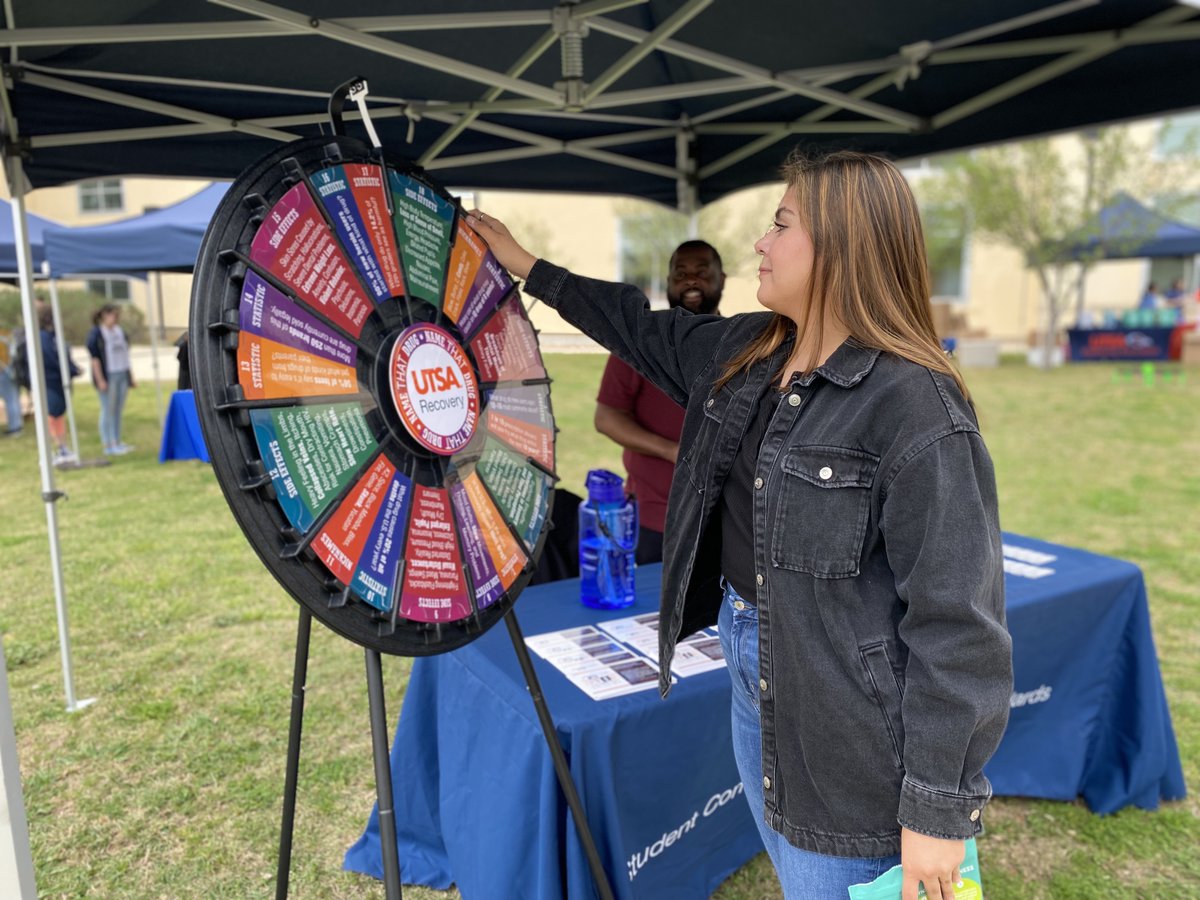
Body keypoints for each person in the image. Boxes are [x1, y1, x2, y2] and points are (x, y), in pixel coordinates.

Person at [467, 149, 1012, 900]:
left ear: (842, 248)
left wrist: (937, 813)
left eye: (781, 225)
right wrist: (527, 265)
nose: (760, 242)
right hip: (755, 678)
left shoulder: (917, 409)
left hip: (850, 736)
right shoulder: (748, 350)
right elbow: (635, 326)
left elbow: (959, 625)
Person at [594, 240, 725, 564]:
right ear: (668, 283)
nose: (690, 280)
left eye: (702, 272)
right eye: (680, 273)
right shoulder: (641, 340)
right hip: (654, 520)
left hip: (727, 520)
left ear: (721, 279)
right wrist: (671, 451)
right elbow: (607, 418)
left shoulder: (741, 342)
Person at [86, 303, 136, 455]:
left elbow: (125, 355)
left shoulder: (119, 331)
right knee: (108, 409)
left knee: (118, 409)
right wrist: (100, 379)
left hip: (121, 373)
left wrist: (130, 376)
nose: (115, 318)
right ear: (104, 315)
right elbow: (95, 359)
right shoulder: (97, 334)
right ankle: (108, 444)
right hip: (108, 375)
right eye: (112, 315)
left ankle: (117, 440)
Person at [36, 305, 80, 466]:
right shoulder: (42, 337)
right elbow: (51, 359)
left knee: (59, 414)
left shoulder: (55, 336)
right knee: (51, 414)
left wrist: (73, 369)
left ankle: (62, 446)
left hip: (60, 381)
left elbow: (63, 356)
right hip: (50, 381)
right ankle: (52, 449)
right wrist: (68, 370)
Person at [0, 325, 23, 437]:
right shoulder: (8, 335)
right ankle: (17, 425)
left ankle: (14, 427)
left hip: (4, 371)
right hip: (13, 370)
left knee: (10, 400)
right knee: (14, 399)